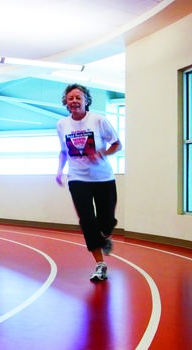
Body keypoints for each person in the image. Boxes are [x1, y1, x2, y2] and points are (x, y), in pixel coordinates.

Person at [56, 83, 122, 282]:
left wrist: (101, 153)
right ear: (66, 103)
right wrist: (59, 170)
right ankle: (100, 264)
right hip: (77, 178)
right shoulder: (62, 124)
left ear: (86, 101)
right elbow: (64, 151)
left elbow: (117, 144)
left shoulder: (99, 120)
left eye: (78, 97)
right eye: (71, 98)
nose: (74, 101)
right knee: (86, 221)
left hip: (103, 178)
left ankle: (105, 235)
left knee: (107, 221)